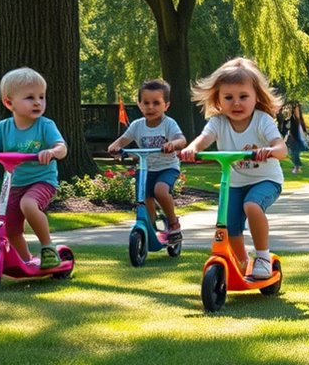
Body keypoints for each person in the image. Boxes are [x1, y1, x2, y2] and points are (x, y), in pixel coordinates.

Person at [179, 57, 287, 280]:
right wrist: (192, 148)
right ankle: (241, 263)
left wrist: (271, 150)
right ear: (218, 100)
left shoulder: (262, 120)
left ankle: (263, 257)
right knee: (229, 225)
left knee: (252, 205)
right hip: (235, 182)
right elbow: (203, 138)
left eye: (243, 97)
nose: (236, 103)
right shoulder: (218, 122)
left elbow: (281, 148)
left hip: (266, 180)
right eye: (228, 97)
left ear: (256, 97)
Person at [0, 67, 67, 269]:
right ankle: (26, 259)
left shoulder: (45, 125)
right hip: (15, 183)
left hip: (42, 181)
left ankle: (48, 247)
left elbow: (62, 148)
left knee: (28, 204)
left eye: (42, 96)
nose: (38, 102)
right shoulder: (2, 127)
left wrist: (51, 152)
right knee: (9, 225)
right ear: (8, 102)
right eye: (30, 97)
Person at [108, 79, 187, 245]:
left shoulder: (168, 124)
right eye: (146, 103)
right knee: (144, 198)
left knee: (160, 190)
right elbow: (124, 139)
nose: (151, 107)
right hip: (145, 169)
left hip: (167, 167)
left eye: (156, 103)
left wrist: (173, 144)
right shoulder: (137, 126)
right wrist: (115, 147)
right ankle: (150, 227)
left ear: (166, 105)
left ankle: (173, 223)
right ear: (139, 104)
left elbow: (182, 140)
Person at [283, 102, 309, 174]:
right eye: (296, 110)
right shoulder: (292, 118)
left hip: (298, 138)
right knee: (292, 153)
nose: (297, 111)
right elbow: (287, 127)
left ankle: (297, 167)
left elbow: (302, 129)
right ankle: (297, 166)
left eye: (298, 110)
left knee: (295, 153)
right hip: (293, 138)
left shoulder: (300, 120)